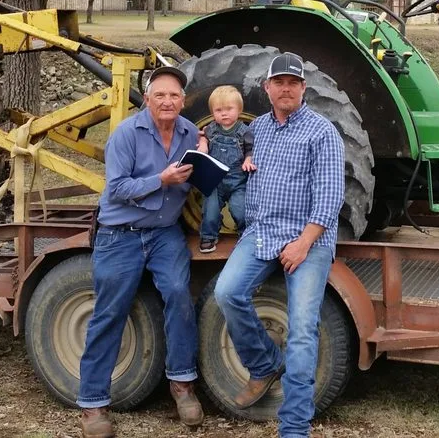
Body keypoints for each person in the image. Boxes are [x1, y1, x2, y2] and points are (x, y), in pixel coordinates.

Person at [213, 52, 345, 438]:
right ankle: (264, 362)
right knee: (226, 292)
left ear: (304, 88)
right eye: (279, 83)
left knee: (303, 329)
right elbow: (241, 152)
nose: (286, 89)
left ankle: (294, 427)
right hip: (261, 231)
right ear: (267, 88)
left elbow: (330, 198)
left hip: (308, 237)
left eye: (293, 83)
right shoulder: (261, 130)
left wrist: (304, 244)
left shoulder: (322, 132)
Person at [77, 66, 203, 437]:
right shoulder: (126, 135)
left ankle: (182, 384)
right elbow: (116, 188)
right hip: (121, 234)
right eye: (160, 95)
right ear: (147, 99)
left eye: (175, 95)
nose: (168, 101)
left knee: (180, 294)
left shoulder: (190, 132)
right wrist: (160, 180)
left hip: (164, 233)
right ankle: (93, 404)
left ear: (184, 100)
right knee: (110, 311)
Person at [197, 85, 255, 253]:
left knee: (241, 209)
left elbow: (250, 149)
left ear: (239, 110)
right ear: (212, 113)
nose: (224, 113)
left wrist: (248, 160)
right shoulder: (211, 129)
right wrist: (202, 144)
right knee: (210, 210)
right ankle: (208, 236)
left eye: (229, 109)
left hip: (237, 181)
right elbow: (203, 138)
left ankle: (245, 234)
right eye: (218, 110)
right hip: (215, 180)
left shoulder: (245, 132)